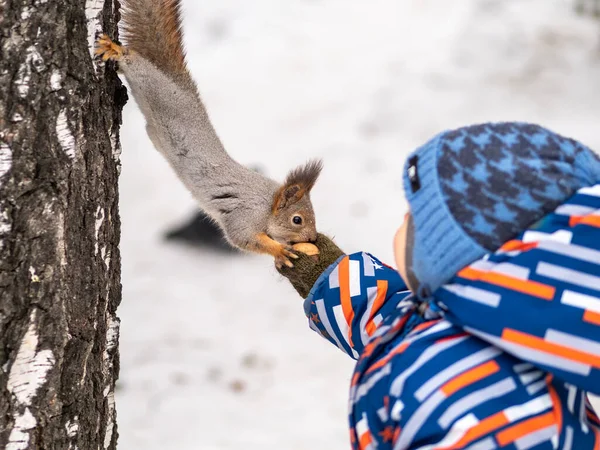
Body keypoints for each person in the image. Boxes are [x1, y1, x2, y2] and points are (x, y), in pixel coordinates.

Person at [278, 122, 600, 449]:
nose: (403, 221)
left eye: (416, 218)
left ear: (452, 257)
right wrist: (326, 273)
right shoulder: (510, 321)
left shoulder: (480, 412)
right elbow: (395, 319)